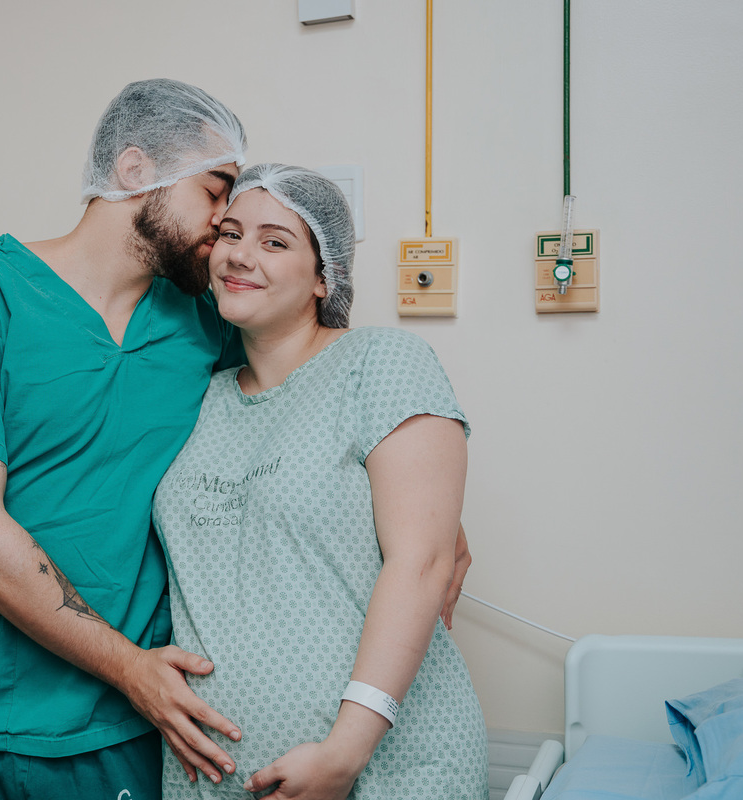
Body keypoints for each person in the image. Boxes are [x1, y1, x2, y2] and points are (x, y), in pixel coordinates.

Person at [0, 80, 472, 799]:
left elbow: (310, 404)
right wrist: (129, 665)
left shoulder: (208, 322)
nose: (227, 221)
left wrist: (429, 510)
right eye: (217, 190)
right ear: (136, 172)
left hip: (136, 727)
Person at [153, 164, 490, 799]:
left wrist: (344, 753)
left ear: (324, 276)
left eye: (275, 241)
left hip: (385, 768)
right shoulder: (203, 398)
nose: (241, 254)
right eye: (230, 233)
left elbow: (421, 561)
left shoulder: (381, 364)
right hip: (217, 775)